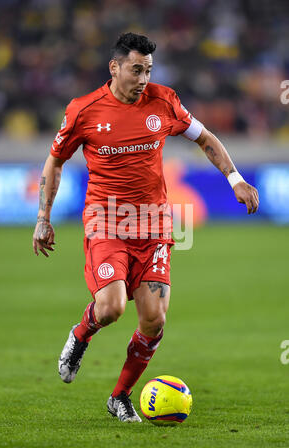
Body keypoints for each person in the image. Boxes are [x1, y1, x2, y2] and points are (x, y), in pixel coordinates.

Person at [32, 32, 259, 423]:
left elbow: (204, 138)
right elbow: (55, 162)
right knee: (112, 307)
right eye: (136, 70)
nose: (142, 79)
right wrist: (43, 218)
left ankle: (119, 396)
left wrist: (235, 178)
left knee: (154, 321)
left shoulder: (164, 101)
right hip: (106, 220)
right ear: (114, 67)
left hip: (153, 225)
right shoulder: (84, 111)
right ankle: (81, 335)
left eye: (148, 70)